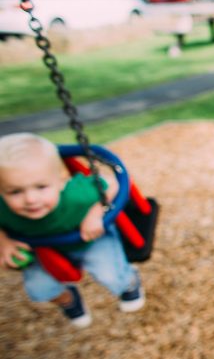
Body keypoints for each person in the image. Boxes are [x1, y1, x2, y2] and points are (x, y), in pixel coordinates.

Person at [0, 133, 144, 327]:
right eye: (15, 191)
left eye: (41, 187)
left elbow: (114, 183)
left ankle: (129, 282)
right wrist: (3, 241)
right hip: (43, 250)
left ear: (61, 180)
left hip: (90, 239)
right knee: (38, 289)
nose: (31, 199)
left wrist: (95, 213)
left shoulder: (76, 194)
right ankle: (68, 299)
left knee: (110, 275)